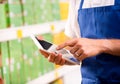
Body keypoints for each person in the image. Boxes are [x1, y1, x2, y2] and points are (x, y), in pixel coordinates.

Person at [40, 0, 120, 84]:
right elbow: (78, 47)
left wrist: (101, 45)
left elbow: (90, 45)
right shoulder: (76, 2)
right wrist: (65, 57)